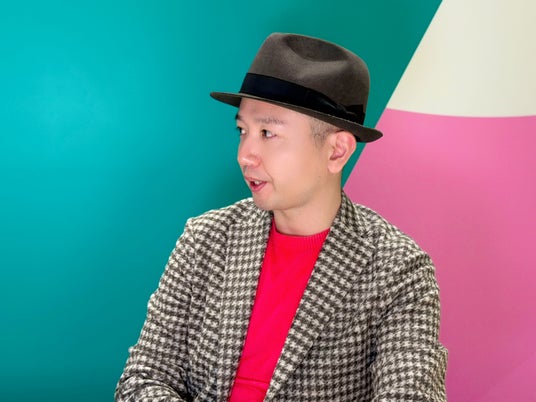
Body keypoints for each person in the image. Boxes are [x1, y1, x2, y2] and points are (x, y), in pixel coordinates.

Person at [115, 32, 448, 401]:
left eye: (267, 133)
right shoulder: (205, 238)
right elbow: (143, 379)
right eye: (242, 131)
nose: (245, 155)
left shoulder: (399, 269)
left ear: (337, 151)